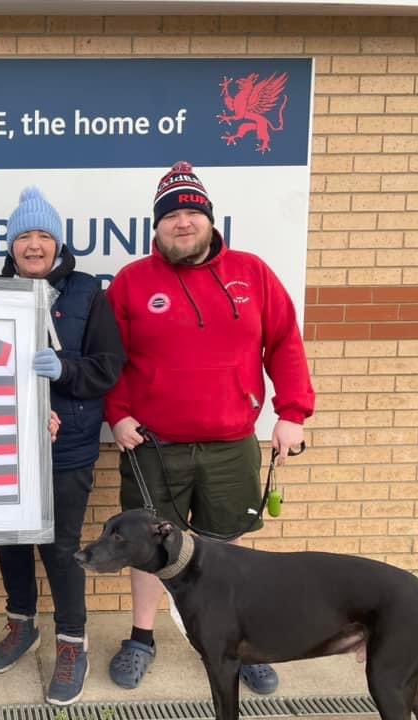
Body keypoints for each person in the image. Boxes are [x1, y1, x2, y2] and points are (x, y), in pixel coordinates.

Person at [104, 162, 315, 695]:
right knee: (148, 549)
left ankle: (241, 643)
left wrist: (292, 413)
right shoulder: (132, 282)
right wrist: (119, 412)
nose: (182, 223)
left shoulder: (253, 273)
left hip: (230, 445)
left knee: (227, 551)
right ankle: (141, 639)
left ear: (209, 220)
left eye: (191, 213)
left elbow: (285, 343)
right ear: (156, 227)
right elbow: (109, 359)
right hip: (153, 445)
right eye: (171, 215)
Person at [0, 187, 125, 705]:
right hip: (5, 443)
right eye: (24, 236)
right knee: (10, 537)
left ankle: (72, 641)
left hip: (68, 446)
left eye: (44, 235)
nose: (34, 245)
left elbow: (108, 366)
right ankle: (22, 624)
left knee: (60, 544)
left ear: (59, 243)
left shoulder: (88, 291)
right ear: (11, 245)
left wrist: (63, 369)